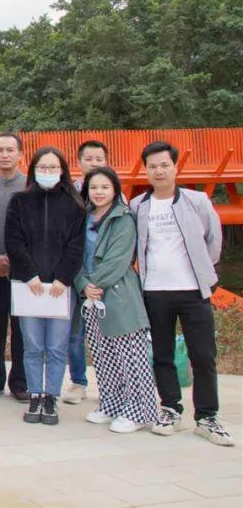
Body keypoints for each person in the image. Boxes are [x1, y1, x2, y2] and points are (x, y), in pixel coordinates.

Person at [131, 141, 233, 447]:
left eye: (164, 165)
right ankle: (171, 409)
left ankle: (207, 417)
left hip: (192, 291)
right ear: (146, 170)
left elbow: (213, 240)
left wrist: (203, 272)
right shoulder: (138, 206)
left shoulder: (196, 201)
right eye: (152, 166)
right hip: (154, 291)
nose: (159, 171)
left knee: (203, 355)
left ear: (175, 167)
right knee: (162, 355)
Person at [4, 147, 85, 426]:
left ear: (62, 171)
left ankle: (51, 396)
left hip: (61, 287)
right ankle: (35, 394)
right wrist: (30, 275)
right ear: (33, 170)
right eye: (42, 167)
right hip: (29, 285)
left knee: (57, 345)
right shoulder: (20, 201)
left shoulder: (74, 205)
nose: (47, 172)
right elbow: (13, 241)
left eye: (53, 168)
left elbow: (76, 245)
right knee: (33, 345)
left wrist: (63, 277)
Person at [76, 167, 159, 434]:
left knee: (130, 355)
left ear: (115, 190)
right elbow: (74, 255)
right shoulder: (83, 218)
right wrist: (82, 285)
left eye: (105, 187)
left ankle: (139, 411)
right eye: (93, 187)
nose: (99, 192)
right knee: (103, 355)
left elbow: (118, 259)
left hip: (118, 293)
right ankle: (111, 404)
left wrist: (94, 284)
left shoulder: (123, 218)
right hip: (91, 297)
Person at [62, 139, 111, 405]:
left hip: (105, 279)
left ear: (106, 162)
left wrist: (102, 278)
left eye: (99, 159)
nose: (94, 163)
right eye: (88, 159)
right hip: (74, 276)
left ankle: (110, 385)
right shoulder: (70, 194)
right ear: (79, 162)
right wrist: (79, 278)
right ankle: (78, 381)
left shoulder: (115, 195)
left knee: (108, 334)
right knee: (74, 334)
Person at [0, 132, 29, 402]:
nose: (5, 155)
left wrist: (18, 260)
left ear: (20, 154)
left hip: (25, 273)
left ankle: (20, 381)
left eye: (10, 150)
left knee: (22, 329)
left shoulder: (31, 187)